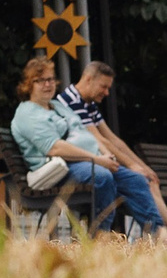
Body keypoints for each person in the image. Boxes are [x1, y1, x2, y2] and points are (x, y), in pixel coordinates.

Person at [15, 56, 128, 234]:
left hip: (83, 162)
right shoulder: (27, 113)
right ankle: (101, 236)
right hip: (58, 169)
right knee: (103, 176)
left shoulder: (56, 105)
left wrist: (106, 155)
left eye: (51, 79)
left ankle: (156, 230)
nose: (48, 84)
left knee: (133, 179)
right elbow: (55, 148)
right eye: (40, 80)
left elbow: (86, 134)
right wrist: (97, 159)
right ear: (29, 84)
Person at [59, 61, 165, 235]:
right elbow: (100, 140)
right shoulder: (70, 101)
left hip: (100, 161)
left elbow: (113, 138)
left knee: (143, 179)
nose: (107, 92)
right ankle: (157, 233)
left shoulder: (87, 103)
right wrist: (132, 166)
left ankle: (158, 232)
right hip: (82, 163)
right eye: (104, 86)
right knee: (137, 179)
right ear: (88, 79)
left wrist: (142, 166)